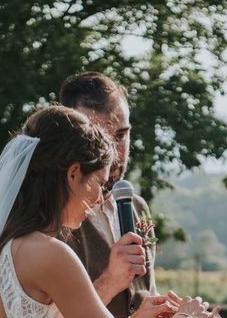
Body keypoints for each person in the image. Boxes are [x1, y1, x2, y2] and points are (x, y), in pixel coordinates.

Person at [0, 105, 216, 318]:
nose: (100, 197)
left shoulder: (9, 246)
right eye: (99, 183)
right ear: (74, 174)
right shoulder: (51, 253)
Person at [59, 72, 155, 317]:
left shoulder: (137, 205)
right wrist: (110, 282)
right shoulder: (53, 213)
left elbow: (145, 294)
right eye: (99, 137)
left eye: (121, 136)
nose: (115, 154)